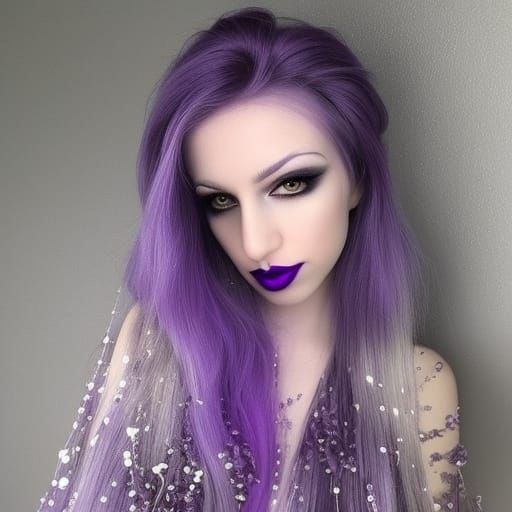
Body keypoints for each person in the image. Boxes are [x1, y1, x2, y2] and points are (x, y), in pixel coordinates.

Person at [36, 7, 483, 512]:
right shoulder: (158, 347)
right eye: (220, 201)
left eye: (290, 185)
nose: (254, 243)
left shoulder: (417, 386)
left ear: (358, 176)